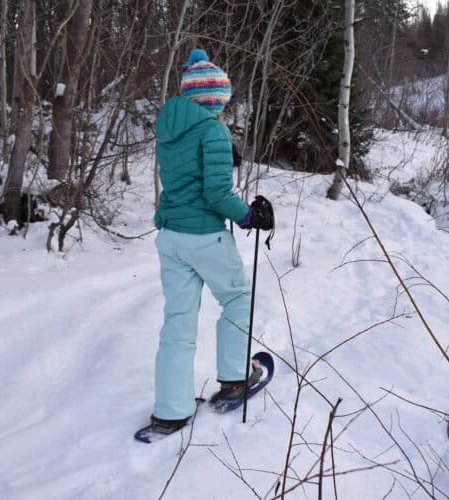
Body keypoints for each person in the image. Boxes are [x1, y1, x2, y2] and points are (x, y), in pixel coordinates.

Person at [150, 48, 271, 434]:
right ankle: (236, 377)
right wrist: (250, 216)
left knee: (178, 320)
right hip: (204, 234)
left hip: (171, 235)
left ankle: (171, 409)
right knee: (237, 299)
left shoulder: (168, 127)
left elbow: (186, 173)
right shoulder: (213, 129)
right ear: (215, 98)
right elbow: (217, 194)